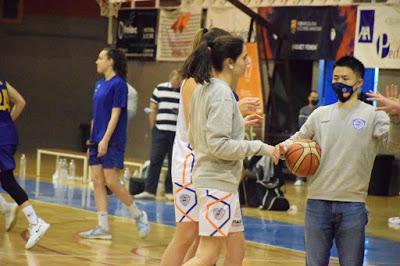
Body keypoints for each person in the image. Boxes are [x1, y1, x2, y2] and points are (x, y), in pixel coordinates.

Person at [277, 56, 400, 265]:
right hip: (317, 202)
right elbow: (297, 139)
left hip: (353, 205)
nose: (339, 82)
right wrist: (281, 148)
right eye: (335, 77)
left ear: (359, 82)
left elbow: (394, 146)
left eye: (345, 78)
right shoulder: (320, 114)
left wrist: (396, 118)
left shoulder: (373, 114)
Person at [160, 28, 264, 266]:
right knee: (189, 236)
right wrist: (236, 113)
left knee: (222, 243)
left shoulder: (217, 85)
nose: (246, 62)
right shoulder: (195, 82)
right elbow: (196, 124)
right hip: (192, 163)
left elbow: (218, 127)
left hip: (216, 167)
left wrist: (238, 119)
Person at [182, 35, 279, 266]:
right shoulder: (222, 93)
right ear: (229, 62)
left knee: (237, 251)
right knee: (206, 256)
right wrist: (261, 147)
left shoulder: (205, 90)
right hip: (217, 182)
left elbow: (198, 137)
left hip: (218, 181)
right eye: (244, 58)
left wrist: (237, 126)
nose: (248, 63)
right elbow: (218, 145)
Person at [80, 48, 150, 240]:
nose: (96, 61)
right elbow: (97, 115)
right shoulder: (99, 84)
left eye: (100, 58)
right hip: (96, 140)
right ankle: (103, 228)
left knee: (111, 181)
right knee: (97, 181)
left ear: (110, 62)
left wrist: (105, 140)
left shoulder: (119, 85)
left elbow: (115, 114)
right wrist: (91, 142)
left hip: (112, 140)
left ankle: (138, 214)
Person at [0, 80, 50, 249]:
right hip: (8, 134)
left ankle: (35, 223)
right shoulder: (2, 82)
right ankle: (8, 208)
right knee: (6, 180)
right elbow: (21, 101)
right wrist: (6, 122)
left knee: (7, 180)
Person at [134, 70, 182, 200]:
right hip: (160, 130)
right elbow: (152, 108)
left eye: (179, 80)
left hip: (176, 134)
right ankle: (150, 190)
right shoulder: (160, 88)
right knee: (155, 160)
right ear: (170, 78)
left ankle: (169, 191)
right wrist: (153, 128)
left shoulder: (183, 91)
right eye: (175, 80)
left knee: (173, 163)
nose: (177, 83)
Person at [294, 90, 319, 186]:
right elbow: (301, 124)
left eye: (316, 98)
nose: (315, 99)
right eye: (313, 97)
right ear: (309, 98)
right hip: (304, 138)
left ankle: (315, 180)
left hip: (316, 139)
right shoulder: (303, 110)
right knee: (301, 158)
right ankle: (299, 178)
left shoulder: (319, 110)